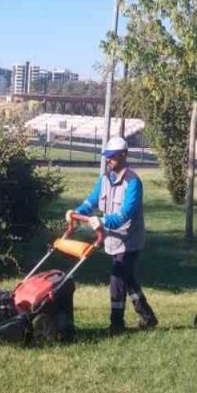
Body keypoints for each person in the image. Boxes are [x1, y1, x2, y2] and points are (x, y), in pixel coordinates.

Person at [68, 137, 158, 334]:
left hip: (129, 240)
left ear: (123, 155)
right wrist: (76, 212)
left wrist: (102, 221)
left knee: (117, 278)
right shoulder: (105, 179)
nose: (108, 160)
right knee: (128, 278)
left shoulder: (133, 183)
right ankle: (147, 316)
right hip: (112, 239)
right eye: (107, 156)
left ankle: (116, 324)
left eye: (112, 156)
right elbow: (91, 201)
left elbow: (125, 214)